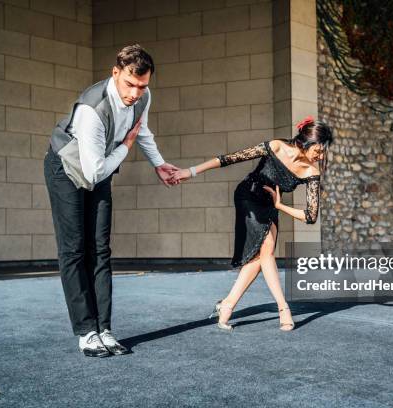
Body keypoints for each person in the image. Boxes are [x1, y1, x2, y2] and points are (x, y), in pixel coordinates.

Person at [44, 45, 179, 357]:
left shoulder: (144, 95)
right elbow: (94, 173)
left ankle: (103, 329)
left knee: (100, 249)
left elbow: (140, 130)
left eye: (142, 86)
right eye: (129, 84)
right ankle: (86, 332)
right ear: (116, 73)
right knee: (75, 249)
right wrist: (126, 148)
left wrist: (158, 163)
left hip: (99, 167)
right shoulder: (92, 110)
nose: (134, 93)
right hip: (66, 168)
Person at [170, 117, 333, 331]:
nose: (320, 156)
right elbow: (230, 158)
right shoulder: (276, 146)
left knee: (259, 258)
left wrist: (279, 205)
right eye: (318, 150)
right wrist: (189, 172)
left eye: (323, 152)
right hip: (248, 195)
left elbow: (310, 216)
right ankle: (283, 307)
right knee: (266, 249)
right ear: (306, 141)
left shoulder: (312, 172)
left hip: (270, 204)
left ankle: (227, 305)